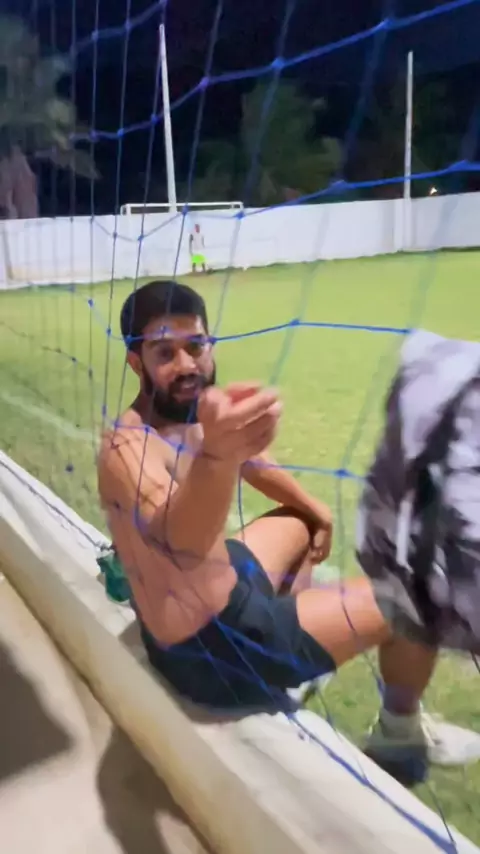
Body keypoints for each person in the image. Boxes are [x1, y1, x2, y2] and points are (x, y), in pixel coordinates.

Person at [98, 279, 480, 787]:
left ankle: (297, 663)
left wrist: (313, 508)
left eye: (196, 345)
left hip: (222, 592)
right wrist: (218, 456)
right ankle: (399, 738)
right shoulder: (126, 448)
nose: (187, 364)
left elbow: (253, 461)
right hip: (213, 652)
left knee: (299, 524)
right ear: (135, 362)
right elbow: (179, 539)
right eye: (164, 352)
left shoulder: (186, 410)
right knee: (417, 599)